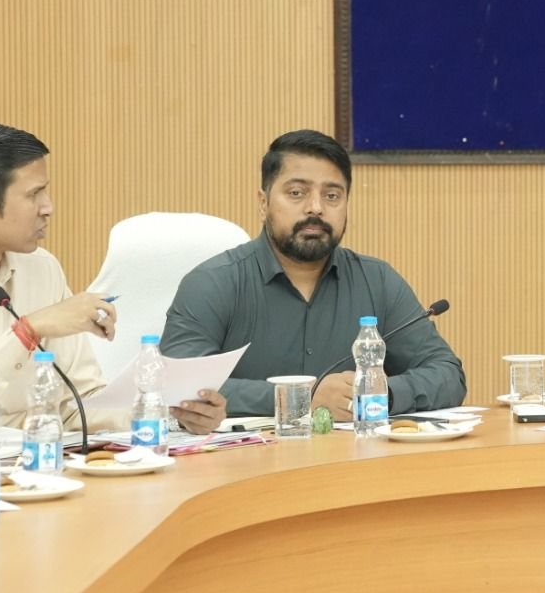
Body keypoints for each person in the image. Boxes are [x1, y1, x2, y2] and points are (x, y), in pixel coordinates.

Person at [0, 123, 225, 452]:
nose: (48, 207)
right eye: (33, 194)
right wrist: (26, 332)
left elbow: (75, 405)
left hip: (21, 469)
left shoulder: (40, 269)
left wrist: (166, 411)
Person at [161, 130, 466, 419]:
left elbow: (448, 374)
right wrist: (301, 398)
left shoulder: (378, 281)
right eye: (297, 193)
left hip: (352, 455)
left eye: (332, 196)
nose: (316, 208)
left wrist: (378, 393)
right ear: (263, 203)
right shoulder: (212, 283)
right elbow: (174, 384)